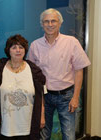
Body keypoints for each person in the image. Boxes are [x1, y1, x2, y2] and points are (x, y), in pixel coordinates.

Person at [27, 8, 91, 140]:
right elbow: (30, 73)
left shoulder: (71, 42)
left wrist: (75, 97)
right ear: (41, 24)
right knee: (43, 136)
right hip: (44, 97)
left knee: (69, 136)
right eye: (46, 21)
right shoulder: (35, 46)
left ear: (60, 23)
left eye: (53, 21)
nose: (50, 24)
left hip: (66, 97)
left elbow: (79, 70)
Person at [0, 34, 46, 140]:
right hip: (6, 126)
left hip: (27, 125)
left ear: (25, 50)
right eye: (14, 47)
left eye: (21, 47)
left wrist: (42, 116)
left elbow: (40, 95)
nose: (18, 50)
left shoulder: (33, 70)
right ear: (8, 50)